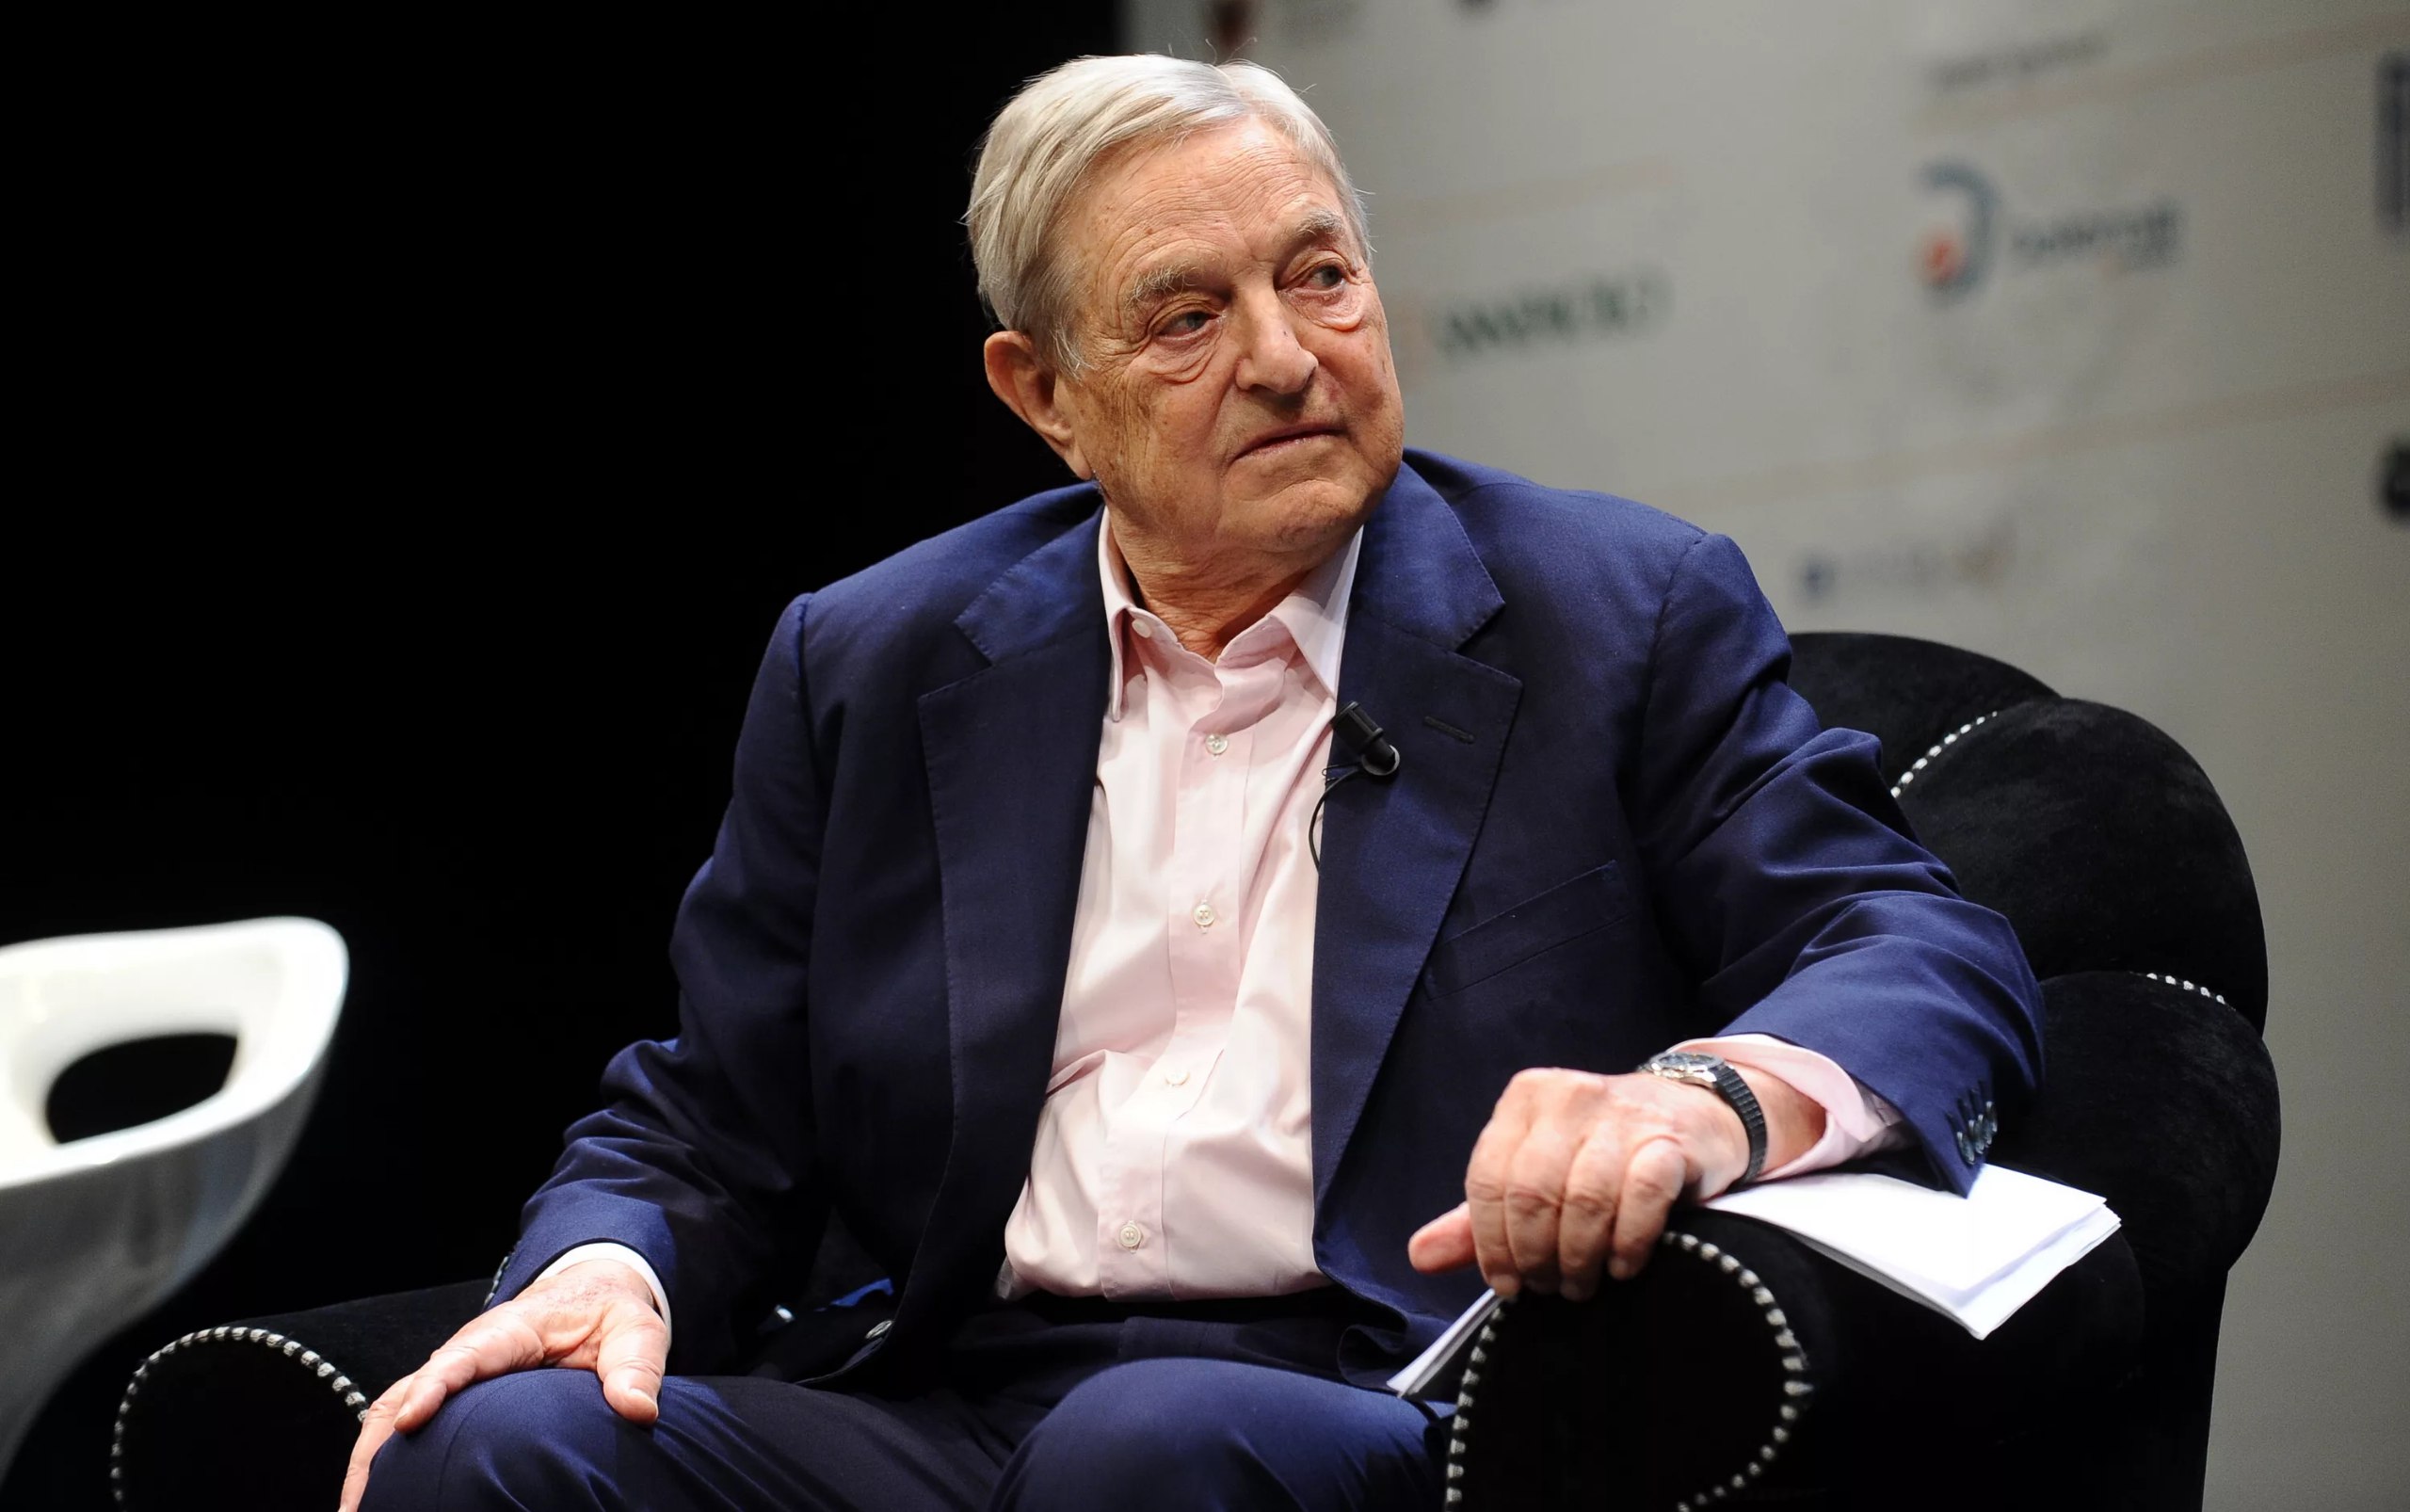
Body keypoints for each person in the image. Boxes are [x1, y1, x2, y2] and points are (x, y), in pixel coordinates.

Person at [343, 54, 2040, 1512]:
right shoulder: (872, 659)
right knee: (487, 1450)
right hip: (949, 1395)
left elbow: (1918, 947)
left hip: (1377, 1388)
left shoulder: (1618, 611)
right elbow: (711, 1114)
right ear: (1045, 396)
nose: (1288, 357)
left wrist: (1699, 1097)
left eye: (1321, 278)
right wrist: (607, 1261)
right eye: (1187, 317)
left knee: (1148, 1444)